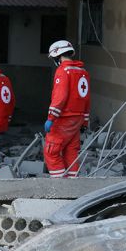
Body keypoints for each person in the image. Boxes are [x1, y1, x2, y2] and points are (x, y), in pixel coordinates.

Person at [43, 40, 91, 178]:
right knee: (71, 152)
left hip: (63, 118)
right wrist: (85, 122)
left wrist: (51, 118)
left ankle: (59, 188)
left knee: (51, 152)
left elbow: (60, 97)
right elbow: (86, 98)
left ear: (58, 56)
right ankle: (72, 186)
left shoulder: (63, 71)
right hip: (78, 119)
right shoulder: (83, 72)